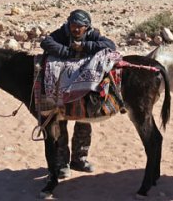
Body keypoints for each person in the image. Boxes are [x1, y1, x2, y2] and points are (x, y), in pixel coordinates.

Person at [40, 9, 116, 178]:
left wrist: (86, 47)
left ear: (86, 27)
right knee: (60, 123)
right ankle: (61, 164)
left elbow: (110, 45)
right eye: (73, 26)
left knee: (83, 121)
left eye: (79, 27)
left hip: (82, 88)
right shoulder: (62, 32)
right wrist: (68, 52)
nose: (75, 30)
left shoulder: (92, 34)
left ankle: (79, 159)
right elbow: (46, 43)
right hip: (61, 86)